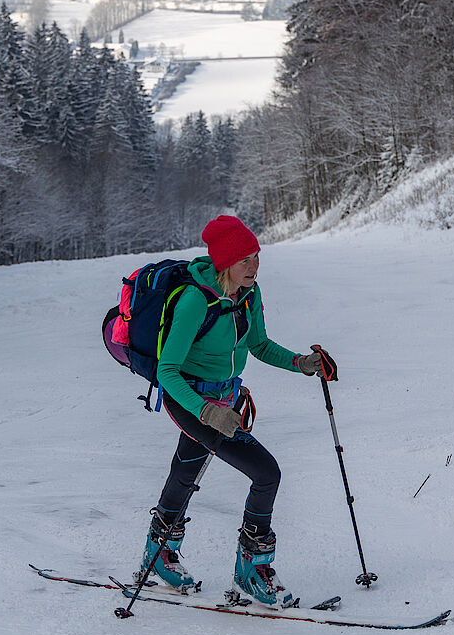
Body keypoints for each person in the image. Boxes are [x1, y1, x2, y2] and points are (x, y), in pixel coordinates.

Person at [139, 214, 337, 608]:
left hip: (224, 399)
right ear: (225, 262)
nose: (254, 265)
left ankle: (158, 553)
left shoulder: (250, 294)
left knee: (187, 467)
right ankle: (252, 568)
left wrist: (301, 363)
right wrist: (206, 412)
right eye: (245, 259)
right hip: (190, 399)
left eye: (256, 256)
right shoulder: (196, 301)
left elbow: (260, 345)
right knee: (266, 473)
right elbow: (167, 371)